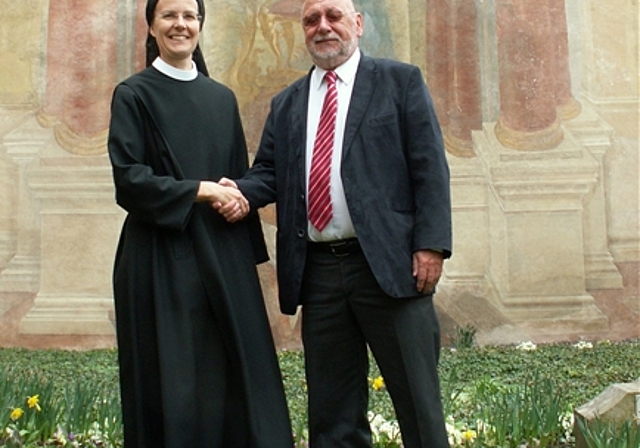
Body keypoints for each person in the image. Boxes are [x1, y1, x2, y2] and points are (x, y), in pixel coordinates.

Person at [219, 0, 452, 446]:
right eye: (311, 20)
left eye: (333, 16)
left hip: (390, 267)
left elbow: (429, 168)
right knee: (332, 413)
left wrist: (432, 245)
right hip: (320, 274)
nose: (322, 27)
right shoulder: (287, 103)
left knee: (418, 405)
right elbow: (269, 170)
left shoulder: (399, 82)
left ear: (358, 24)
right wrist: (239, 193)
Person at [107, 0, 293, 446]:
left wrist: (239, 201)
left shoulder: (221, 98)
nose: (180, 24)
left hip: (222, 255)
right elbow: (129, 180)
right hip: (159, 260)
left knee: (235, 374)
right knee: (174, 378)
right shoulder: (133, 94)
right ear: (150, 25)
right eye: (169, 15)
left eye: (190, 16)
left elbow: (237, 176)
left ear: (200, 25)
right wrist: (204, 191)